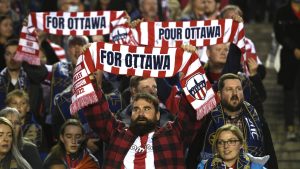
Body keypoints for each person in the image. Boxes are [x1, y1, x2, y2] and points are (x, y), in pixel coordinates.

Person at [83, 71, 201, 168]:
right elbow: (97, 115)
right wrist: (92, 80)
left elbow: (191, 114)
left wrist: (192, 72)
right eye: (136, 109)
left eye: (147, 109)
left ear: (158, 115)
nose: (141, 113)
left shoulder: (172, 135)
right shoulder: (118, 133)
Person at [187, 73, 266, 168]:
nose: (235, 93)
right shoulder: (207, 119)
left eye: (238, 89)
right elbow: (193, 153)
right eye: (229, 89)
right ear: (219, 95)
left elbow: (268, 152)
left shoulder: (255, 118)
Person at [273, 0, 300, 141]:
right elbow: (279, 34)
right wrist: (293, 48)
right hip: (289, 59)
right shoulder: (282, 12)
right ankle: (289, 127)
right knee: (289, 93)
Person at [0, 39, 48, 117]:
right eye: (8, 54)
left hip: (28, 126)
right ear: (4, 56)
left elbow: (42, 73)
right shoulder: (1, 80)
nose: (12, 58)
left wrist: (27, 61)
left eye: (16, 54)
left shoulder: (32, 81)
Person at [197, 124, 267, 169]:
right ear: (216, 146)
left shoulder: (257, 167)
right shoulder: (203, 167)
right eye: (221, 142)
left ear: (241, 144)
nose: (226, 146)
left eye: (231, 141)